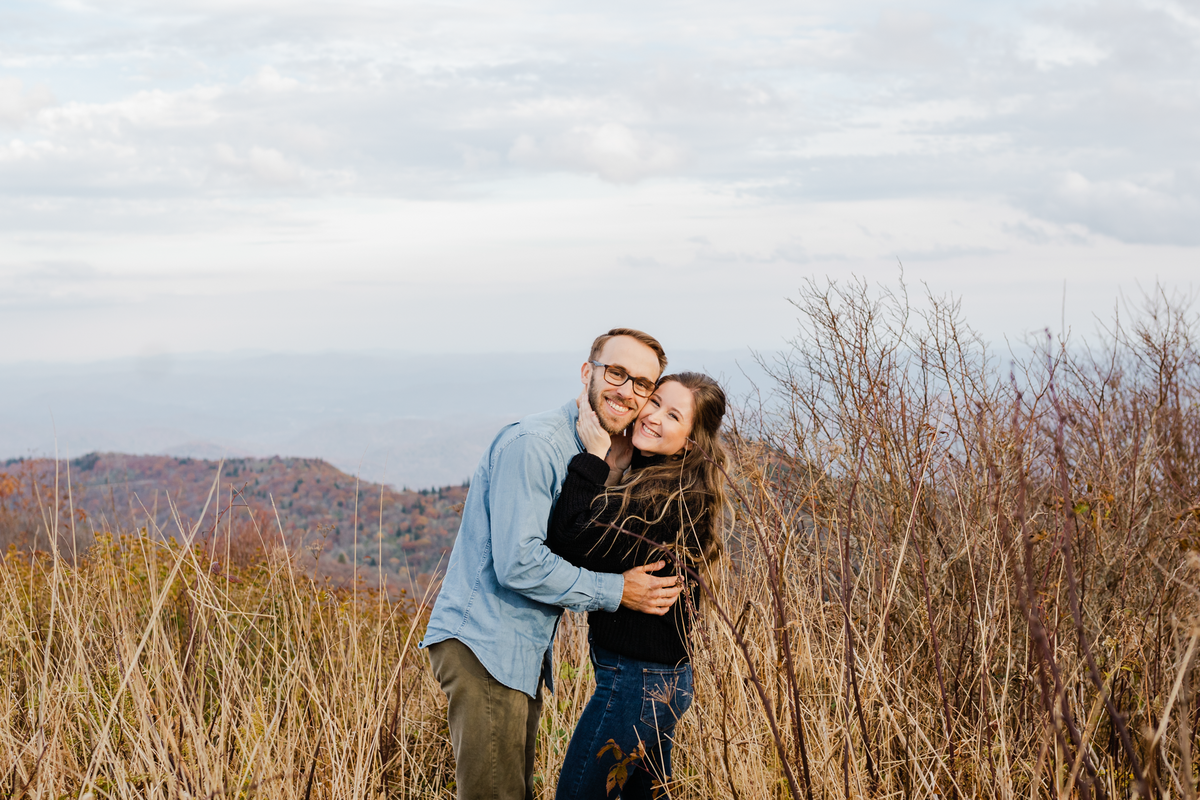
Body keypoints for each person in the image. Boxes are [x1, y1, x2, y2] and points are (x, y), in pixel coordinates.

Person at [421, 329, 686, 800]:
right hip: (486, 644)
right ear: (588, 372)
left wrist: (613, 470)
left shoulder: (597, 448)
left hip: (515, 650)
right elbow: (519, 564)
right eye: (617, 373)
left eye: (641, 383)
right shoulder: (538, 445)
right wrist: (616, 591)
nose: (627, 391)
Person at [548, 372, 729, 799]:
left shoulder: (662, 501)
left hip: (639, 683)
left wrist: (595, 459)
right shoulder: (662, 481)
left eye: (673, 415)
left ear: (689, 441)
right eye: (656, 402)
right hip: (658, 680)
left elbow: (568, 538)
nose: (652, 416)